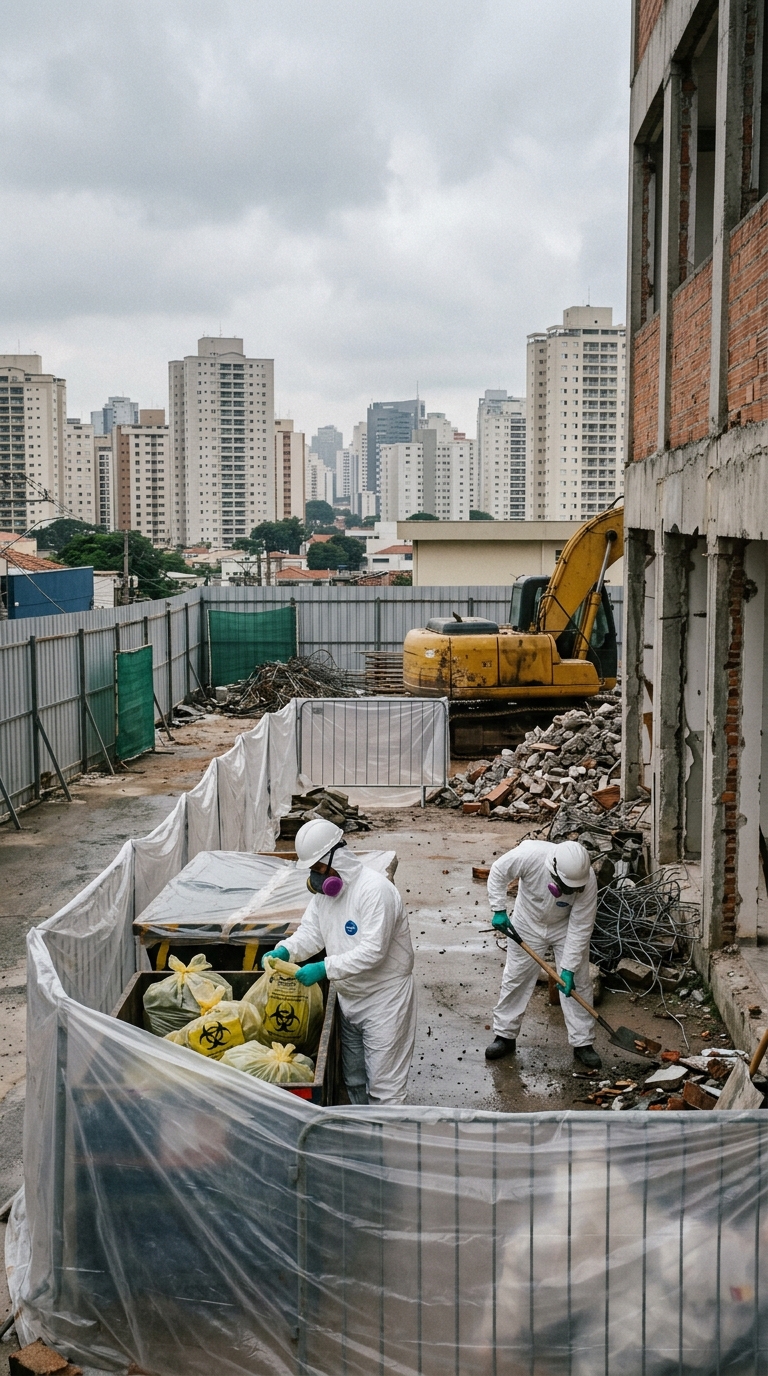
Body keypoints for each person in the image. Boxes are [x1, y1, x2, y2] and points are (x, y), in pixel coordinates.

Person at [263, 817, 417, 1105]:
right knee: (355, 1079)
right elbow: (311, 933)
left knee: (385, 1089)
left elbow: (374, 951)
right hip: (349, 998)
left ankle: (389, 1142)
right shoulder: (324, 896)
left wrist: (324, 968)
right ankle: (365, 1135)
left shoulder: (375, 891)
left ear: (339, 856)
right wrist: (285, 950)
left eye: (319, 869)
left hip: (384, 999)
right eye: (313, 871)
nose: (317, 878)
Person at [484, 838, 601, 1069]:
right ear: (554, 873)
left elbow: (581, 927)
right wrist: (498, 909)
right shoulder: (530, 855)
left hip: (565, 927)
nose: (571, 892)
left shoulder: (587, 882)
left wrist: (567, 969)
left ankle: (583, 1043)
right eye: (568, 887)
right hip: (527, 921)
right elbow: (498, 871)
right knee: (516, 976)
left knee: (578, 980)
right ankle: (505, 1036)